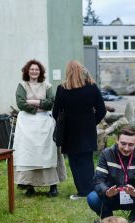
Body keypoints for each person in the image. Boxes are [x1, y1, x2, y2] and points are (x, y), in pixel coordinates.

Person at [52, 60, 106, 200]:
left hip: (70, 132)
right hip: (87, 130)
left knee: (75, 162)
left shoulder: (62, 89)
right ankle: (90, 189)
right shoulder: (91, 87)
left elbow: (55, 112)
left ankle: (83, 191)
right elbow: (102, 110)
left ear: (68, 72)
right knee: (87, 160)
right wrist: (92, 122)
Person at [14, 59, 66, 197]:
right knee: (28, 153)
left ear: (40, 72)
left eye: (37, 69)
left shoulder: (47, 85)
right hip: (26, 124)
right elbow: (20, 103)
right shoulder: (22, 85)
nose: (34, 72)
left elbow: (51, 103)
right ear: (27, 71)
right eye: (32, 69)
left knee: (48, 152)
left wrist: (32, 101)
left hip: (44, 122)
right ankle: (29, 185)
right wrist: (38, 106)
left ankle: (52, 185)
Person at [87, 126, 135, 221]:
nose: (126, 148)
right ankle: (109, 220)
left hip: (132, 196)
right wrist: (107, 192)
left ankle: (132, 220)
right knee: (93, 198)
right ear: (117, 140)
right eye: (123, 143)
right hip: (111, 196)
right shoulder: (106, 154)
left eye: (131, 144)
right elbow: (98, 180)